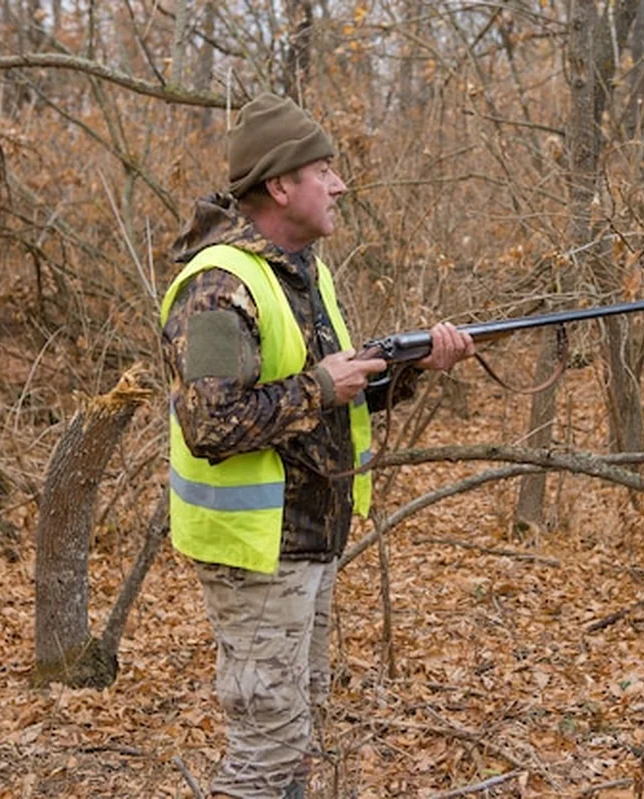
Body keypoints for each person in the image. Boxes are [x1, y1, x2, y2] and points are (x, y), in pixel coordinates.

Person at [159, 92, 475, 799]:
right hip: (257, 553)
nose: (339, 184)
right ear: (279, 185)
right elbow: (210, 424)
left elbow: (336, 397)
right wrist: (317, 388)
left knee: (295, 742)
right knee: (265, 756)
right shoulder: (218, 286)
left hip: (306, 540)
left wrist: (411, 368)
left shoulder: (305, 271)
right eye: (324, 170)